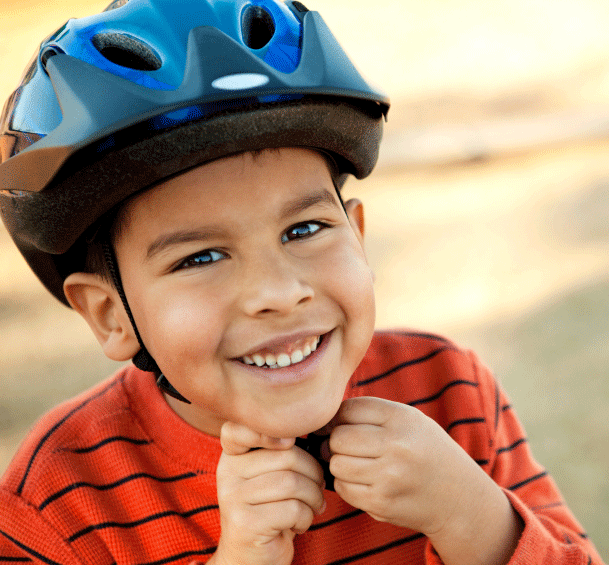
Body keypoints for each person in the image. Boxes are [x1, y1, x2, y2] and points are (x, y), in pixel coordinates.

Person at [0, 0, 603, 563]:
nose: (280, 292)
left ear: (358, 236)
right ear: (110, 314)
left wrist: (473, 516)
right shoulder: (60, 496)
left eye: (304, 228)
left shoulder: (450, 391)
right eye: (201, 258)